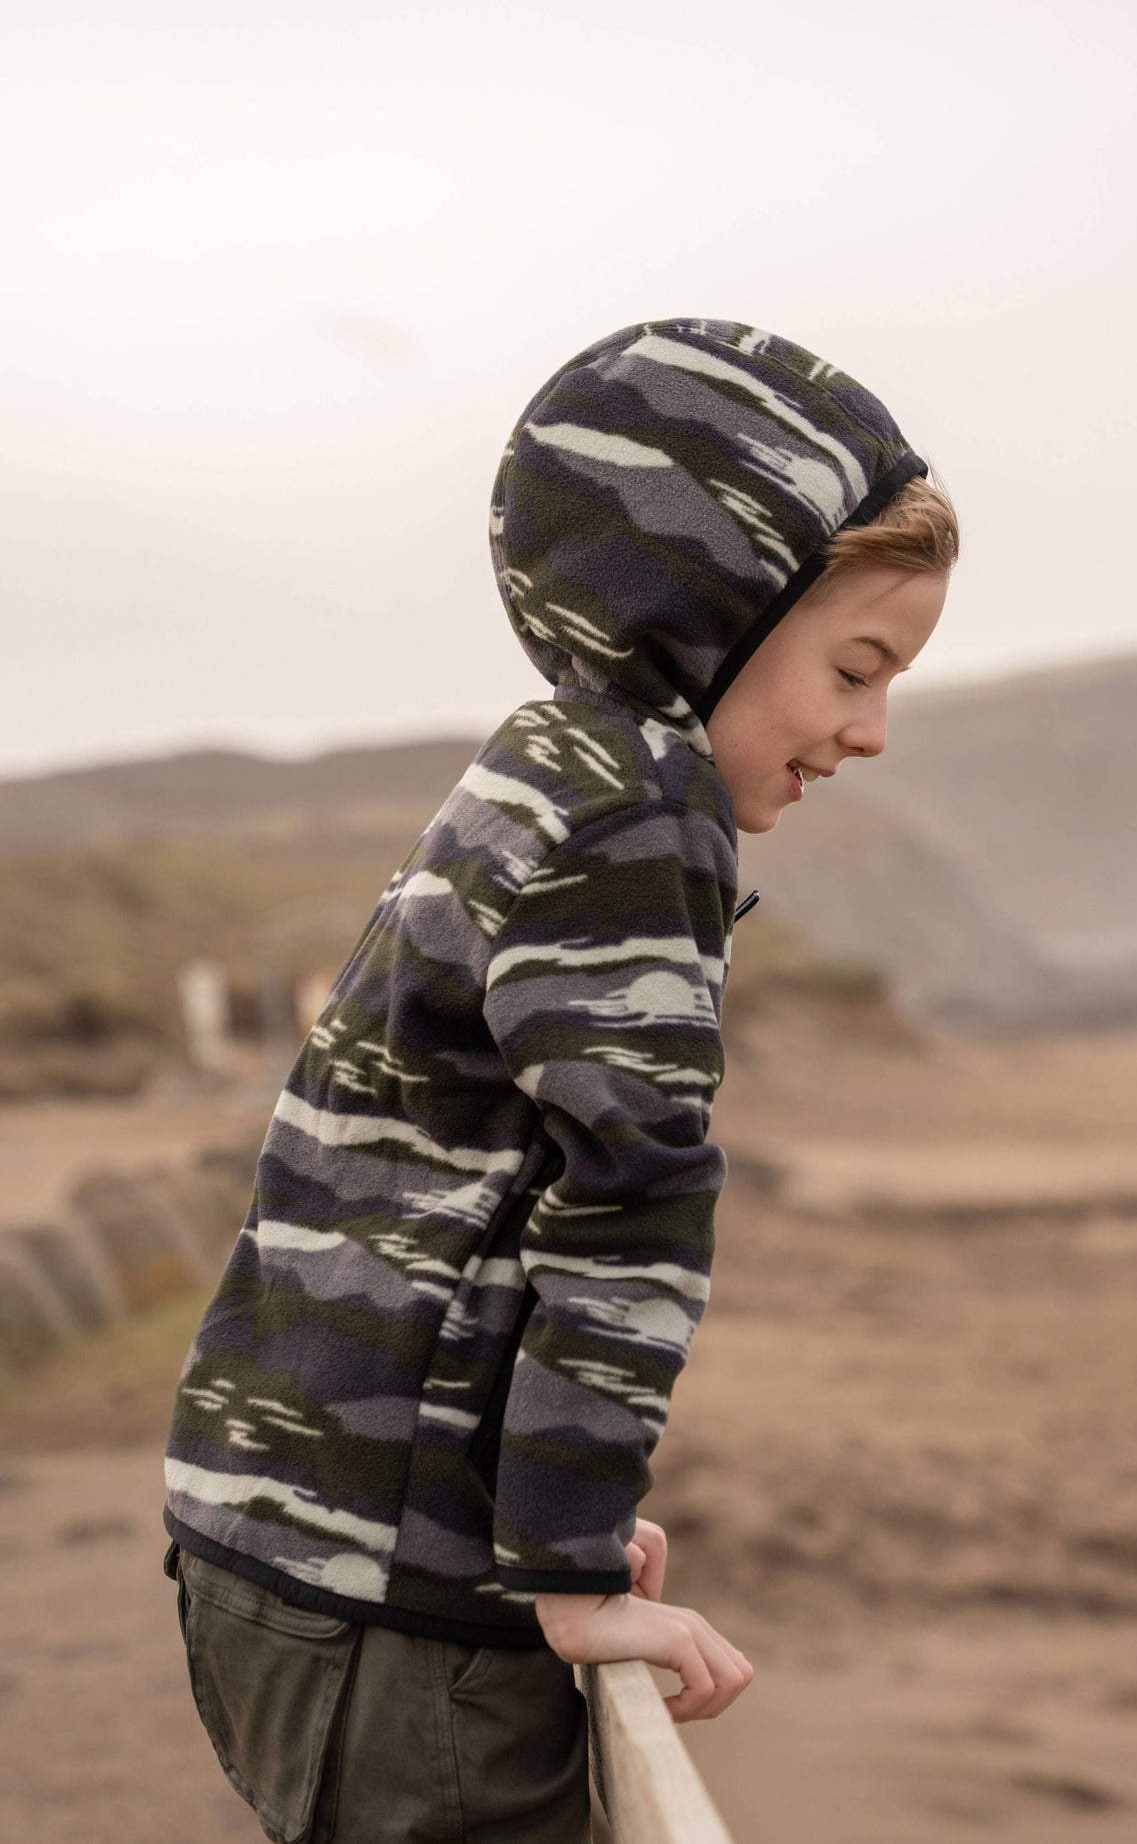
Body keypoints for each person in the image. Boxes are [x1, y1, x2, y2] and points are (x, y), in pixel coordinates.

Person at [161, 315, 958, 1844]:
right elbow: (623, 1212)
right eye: (857, 668)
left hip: (272, 1533)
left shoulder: (541, 766)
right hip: (387, 1608)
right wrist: (575, 1573)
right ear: (709, 609)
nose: (869, 731)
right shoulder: (639, 820)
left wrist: (549, 1511)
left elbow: (468, 1199)